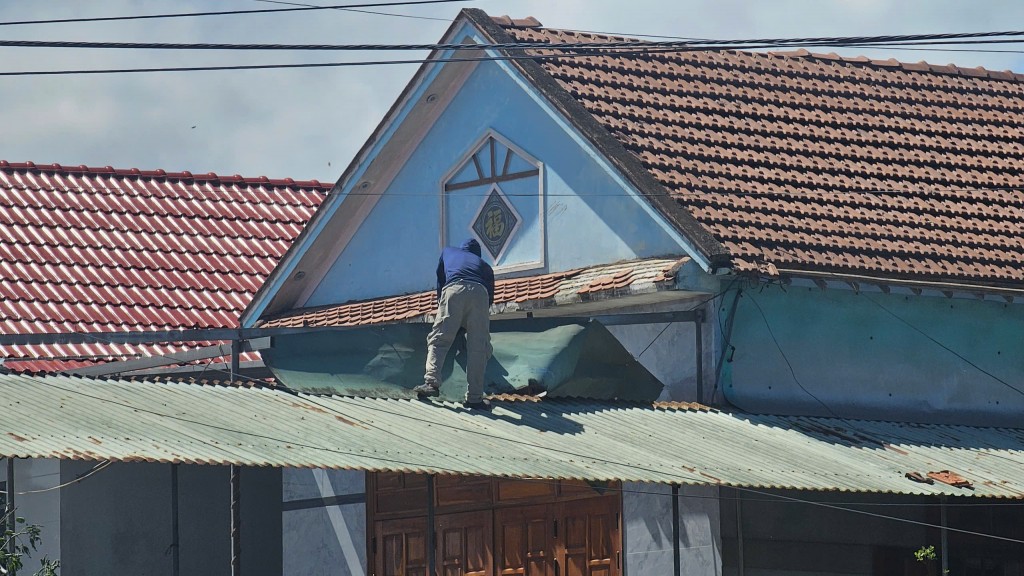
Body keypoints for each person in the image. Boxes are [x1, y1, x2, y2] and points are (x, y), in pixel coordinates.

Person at [413, 238, 495, 410]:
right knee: (478, 347)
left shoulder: (448, 251)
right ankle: (475, 398)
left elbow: (441, 281)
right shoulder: (485, 266)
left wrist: (445, 313)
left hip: (454, 289)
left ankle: (431, 383)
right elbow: (489, 298)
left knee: (440, 338)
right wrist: (470, 322)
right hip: (480, 294)